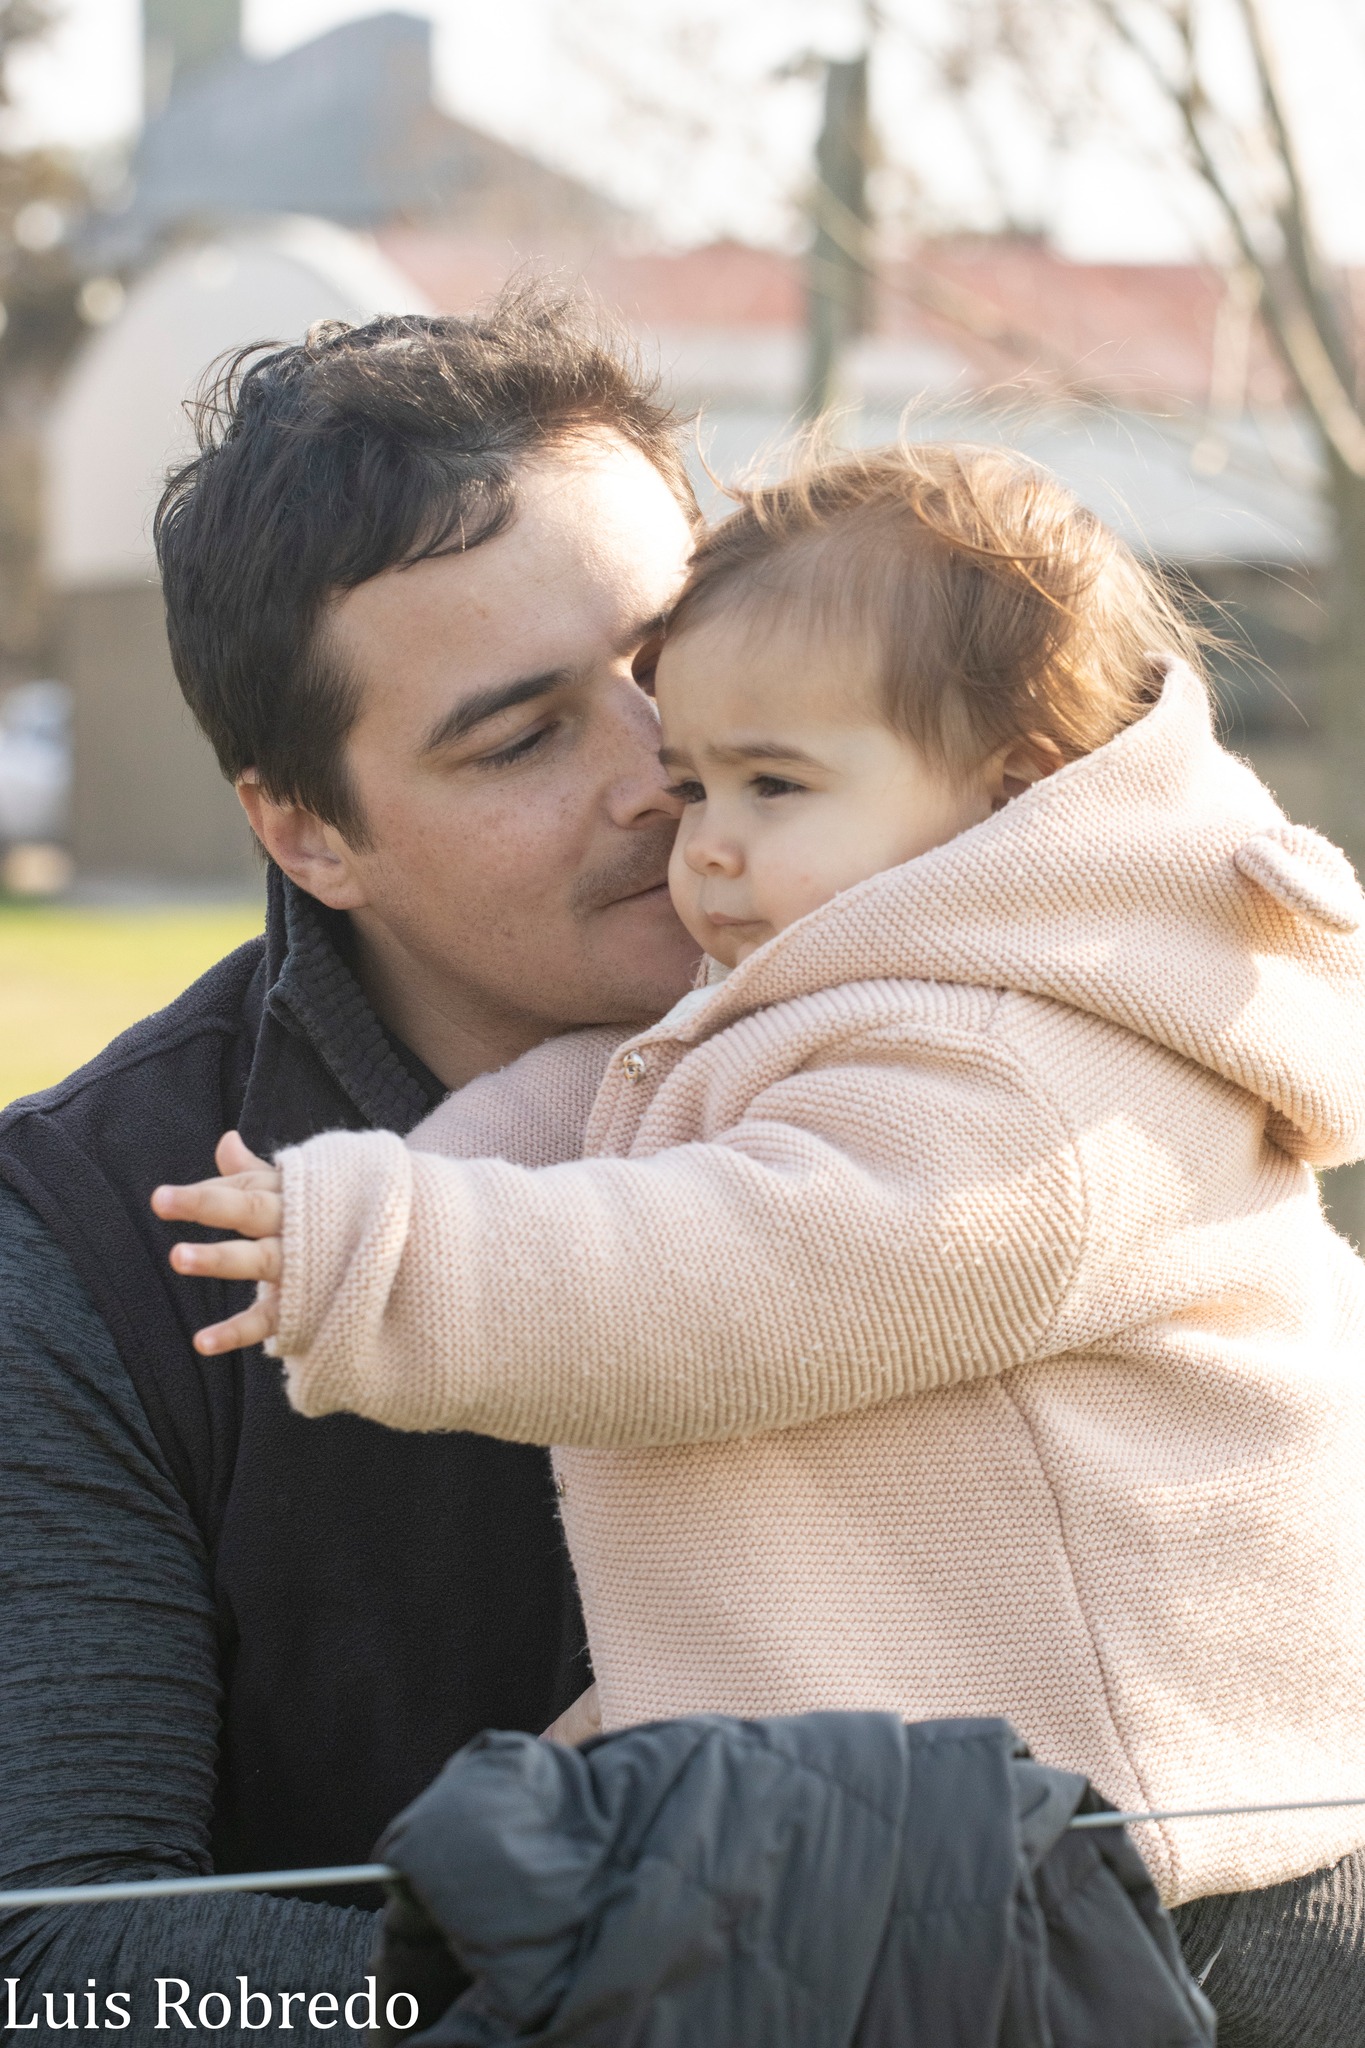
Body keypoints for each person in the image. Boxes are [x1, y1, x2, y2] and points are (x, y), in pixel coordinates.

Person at [161, 443, 1365, 2045]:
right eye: (700, 777)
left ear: (1006, 791)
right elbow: (617, 1106)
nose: (697, 835)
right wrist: (382, 1184)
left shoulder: (1025, 1074)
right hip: (937, 1808)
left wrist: (381, 1252)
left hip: (1146, 1846)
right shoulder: (861, 1004)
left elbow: (744, 1273)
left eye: (770, 785)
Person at [0, 291, 703, 2023]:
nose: (662, 773)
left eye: (674, 659)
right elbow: (61, 1959)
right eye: (522, 737)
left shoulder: (1011, 1054)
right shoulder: (88, 1242)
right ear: (306, 831)